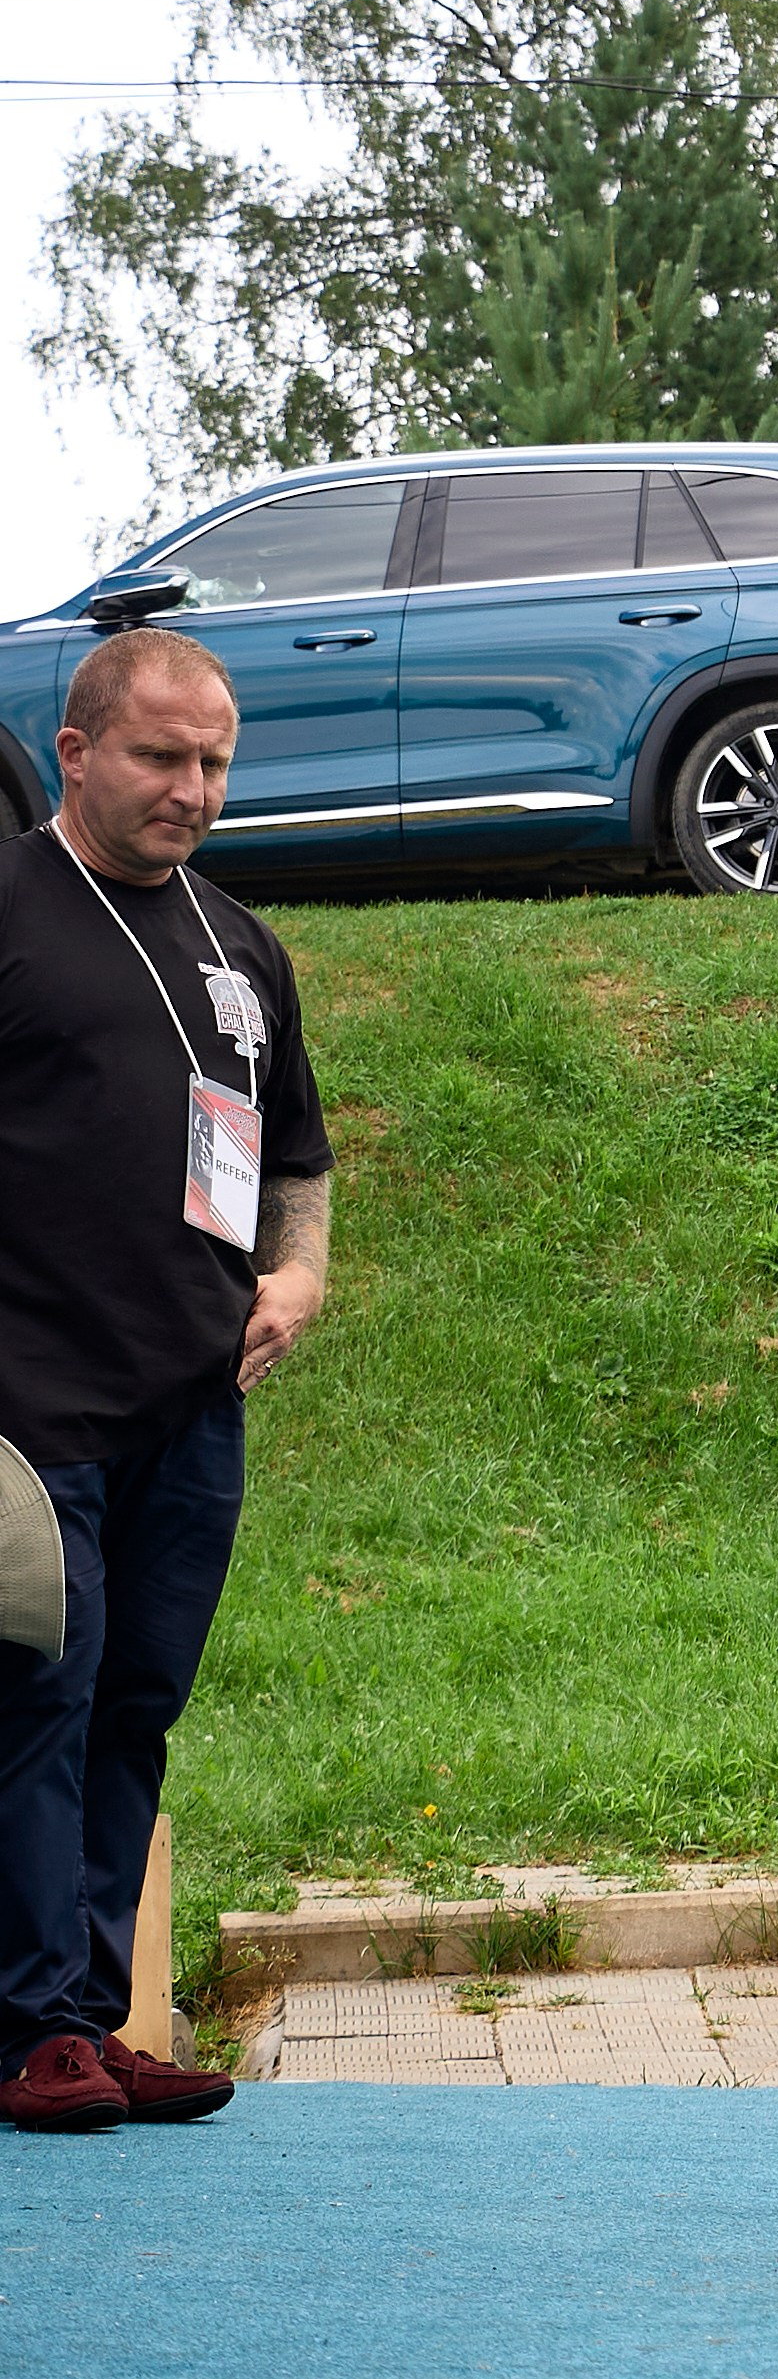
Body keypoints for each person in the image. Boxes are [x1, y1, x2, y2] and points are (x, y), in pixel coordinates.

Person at [0, 627, 334, 2133]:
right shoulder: (8, 907)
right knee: (36, 1698)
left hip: (192, 1406)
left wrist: (300, 1273)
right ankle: (26, 2026)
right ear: (75, 752)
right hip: (26, 1405)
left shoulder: (239, 947)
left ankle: (89, 2011)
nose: (193, 790)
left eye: (214, 763)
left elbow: (298, 1160)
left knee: (138, 1702)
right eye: (161, 757)